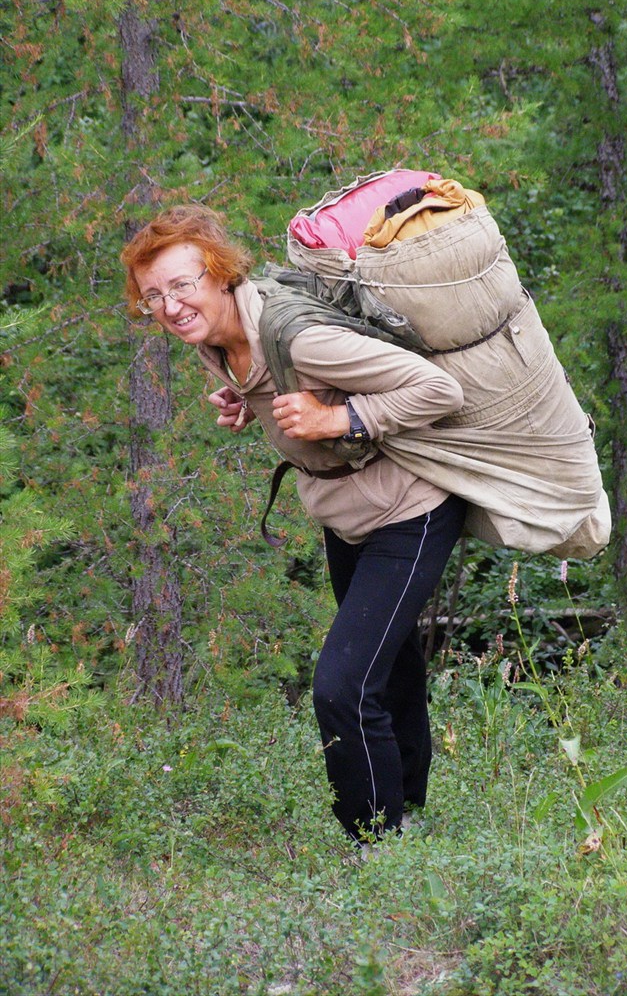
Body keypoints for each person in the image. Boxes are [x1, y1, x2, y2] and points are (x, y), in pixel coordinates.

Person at [121, 205, 467, 847]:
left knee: (342, 687)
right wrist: (253, 399)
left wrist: (339, 421)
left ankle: (378, 848)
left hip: (409, 509)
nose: (169, 306)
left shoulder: (301, 340)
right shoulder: (223, 340)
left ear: (221, 274)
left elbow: (440, 391)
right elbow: (299, 385)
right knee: (389, 667)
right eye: (153, 296)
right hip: (346, 512)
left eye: (182, 284)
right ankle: (410, 815)